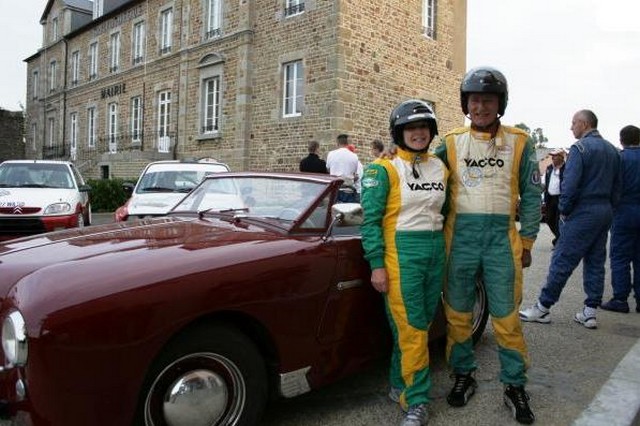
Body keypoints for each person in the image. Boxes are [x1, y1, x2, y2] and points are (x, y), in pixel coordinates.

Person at [435, 67, 540, 425]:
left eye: (488, 100)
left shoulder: (521, 141)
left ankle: (514, 384)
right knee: (459, 313)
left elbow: (531, 195)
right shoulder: (449, 142)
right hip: (459, 239)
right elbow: (428, 187)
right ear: (466, 103)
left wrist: (527, 240)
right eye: (475, 100)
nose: (480, 106)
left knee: (507, 317)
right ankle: (463, 373)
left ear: (500, 104)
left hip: (501, 240)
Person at [361, 100, 447, 426]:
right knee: (412, 331)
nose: (417, 132)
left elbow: (445, 212)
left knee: (417, 326)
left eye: (423, 127)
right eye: (410, 128)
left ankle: (398, 383)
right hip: (401, 257)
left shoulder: (441, 168)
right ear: (399, 132)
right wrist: (377, 265)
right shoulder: (381, 170)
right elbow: (370, 222)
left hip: (435, 254)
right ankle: (417, 400)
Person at [520, 110, 621, 329]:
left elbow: (570, 183)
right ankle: (590, 311)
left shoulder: (580, 148)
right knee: (595, 261)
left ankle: (543, 307)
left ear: (584, 124)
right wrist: (609, 208)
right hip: (604, 211)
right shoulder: (613, 151)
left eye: (573, 123)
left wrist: (564, 210)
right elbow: (617, 187)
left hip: (583, 211)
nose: (571, 127)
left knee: (562, 260)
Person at [601, 125, 640, 314]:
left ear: (621, 140)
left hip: (624, 211)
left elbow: (612, 186)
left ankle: (620, 298)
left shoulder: (620, 159)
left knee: (620, 257)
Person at [326, 134, 359, 202]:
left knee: (334, 211)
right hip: (348, 189)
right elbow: (354, 174)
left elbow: (328, 169)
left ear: (337, 143)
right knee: (348, 211)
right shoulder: (354, 156)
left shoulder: (331, 154)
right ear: (347, 143)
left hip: (335, 188)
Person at [543, 148, 566, 246]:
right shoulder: (549, 168)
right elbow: (545, 183)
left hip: (560, 198)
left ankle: (559, 241)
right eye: (552, 156)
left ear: (561, 157)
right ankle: (559, 238)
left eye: (555, 156)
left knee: (558, 221)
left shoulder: (567, 168)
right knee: (548, 219)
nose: (552, 158)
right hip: (550, 198)